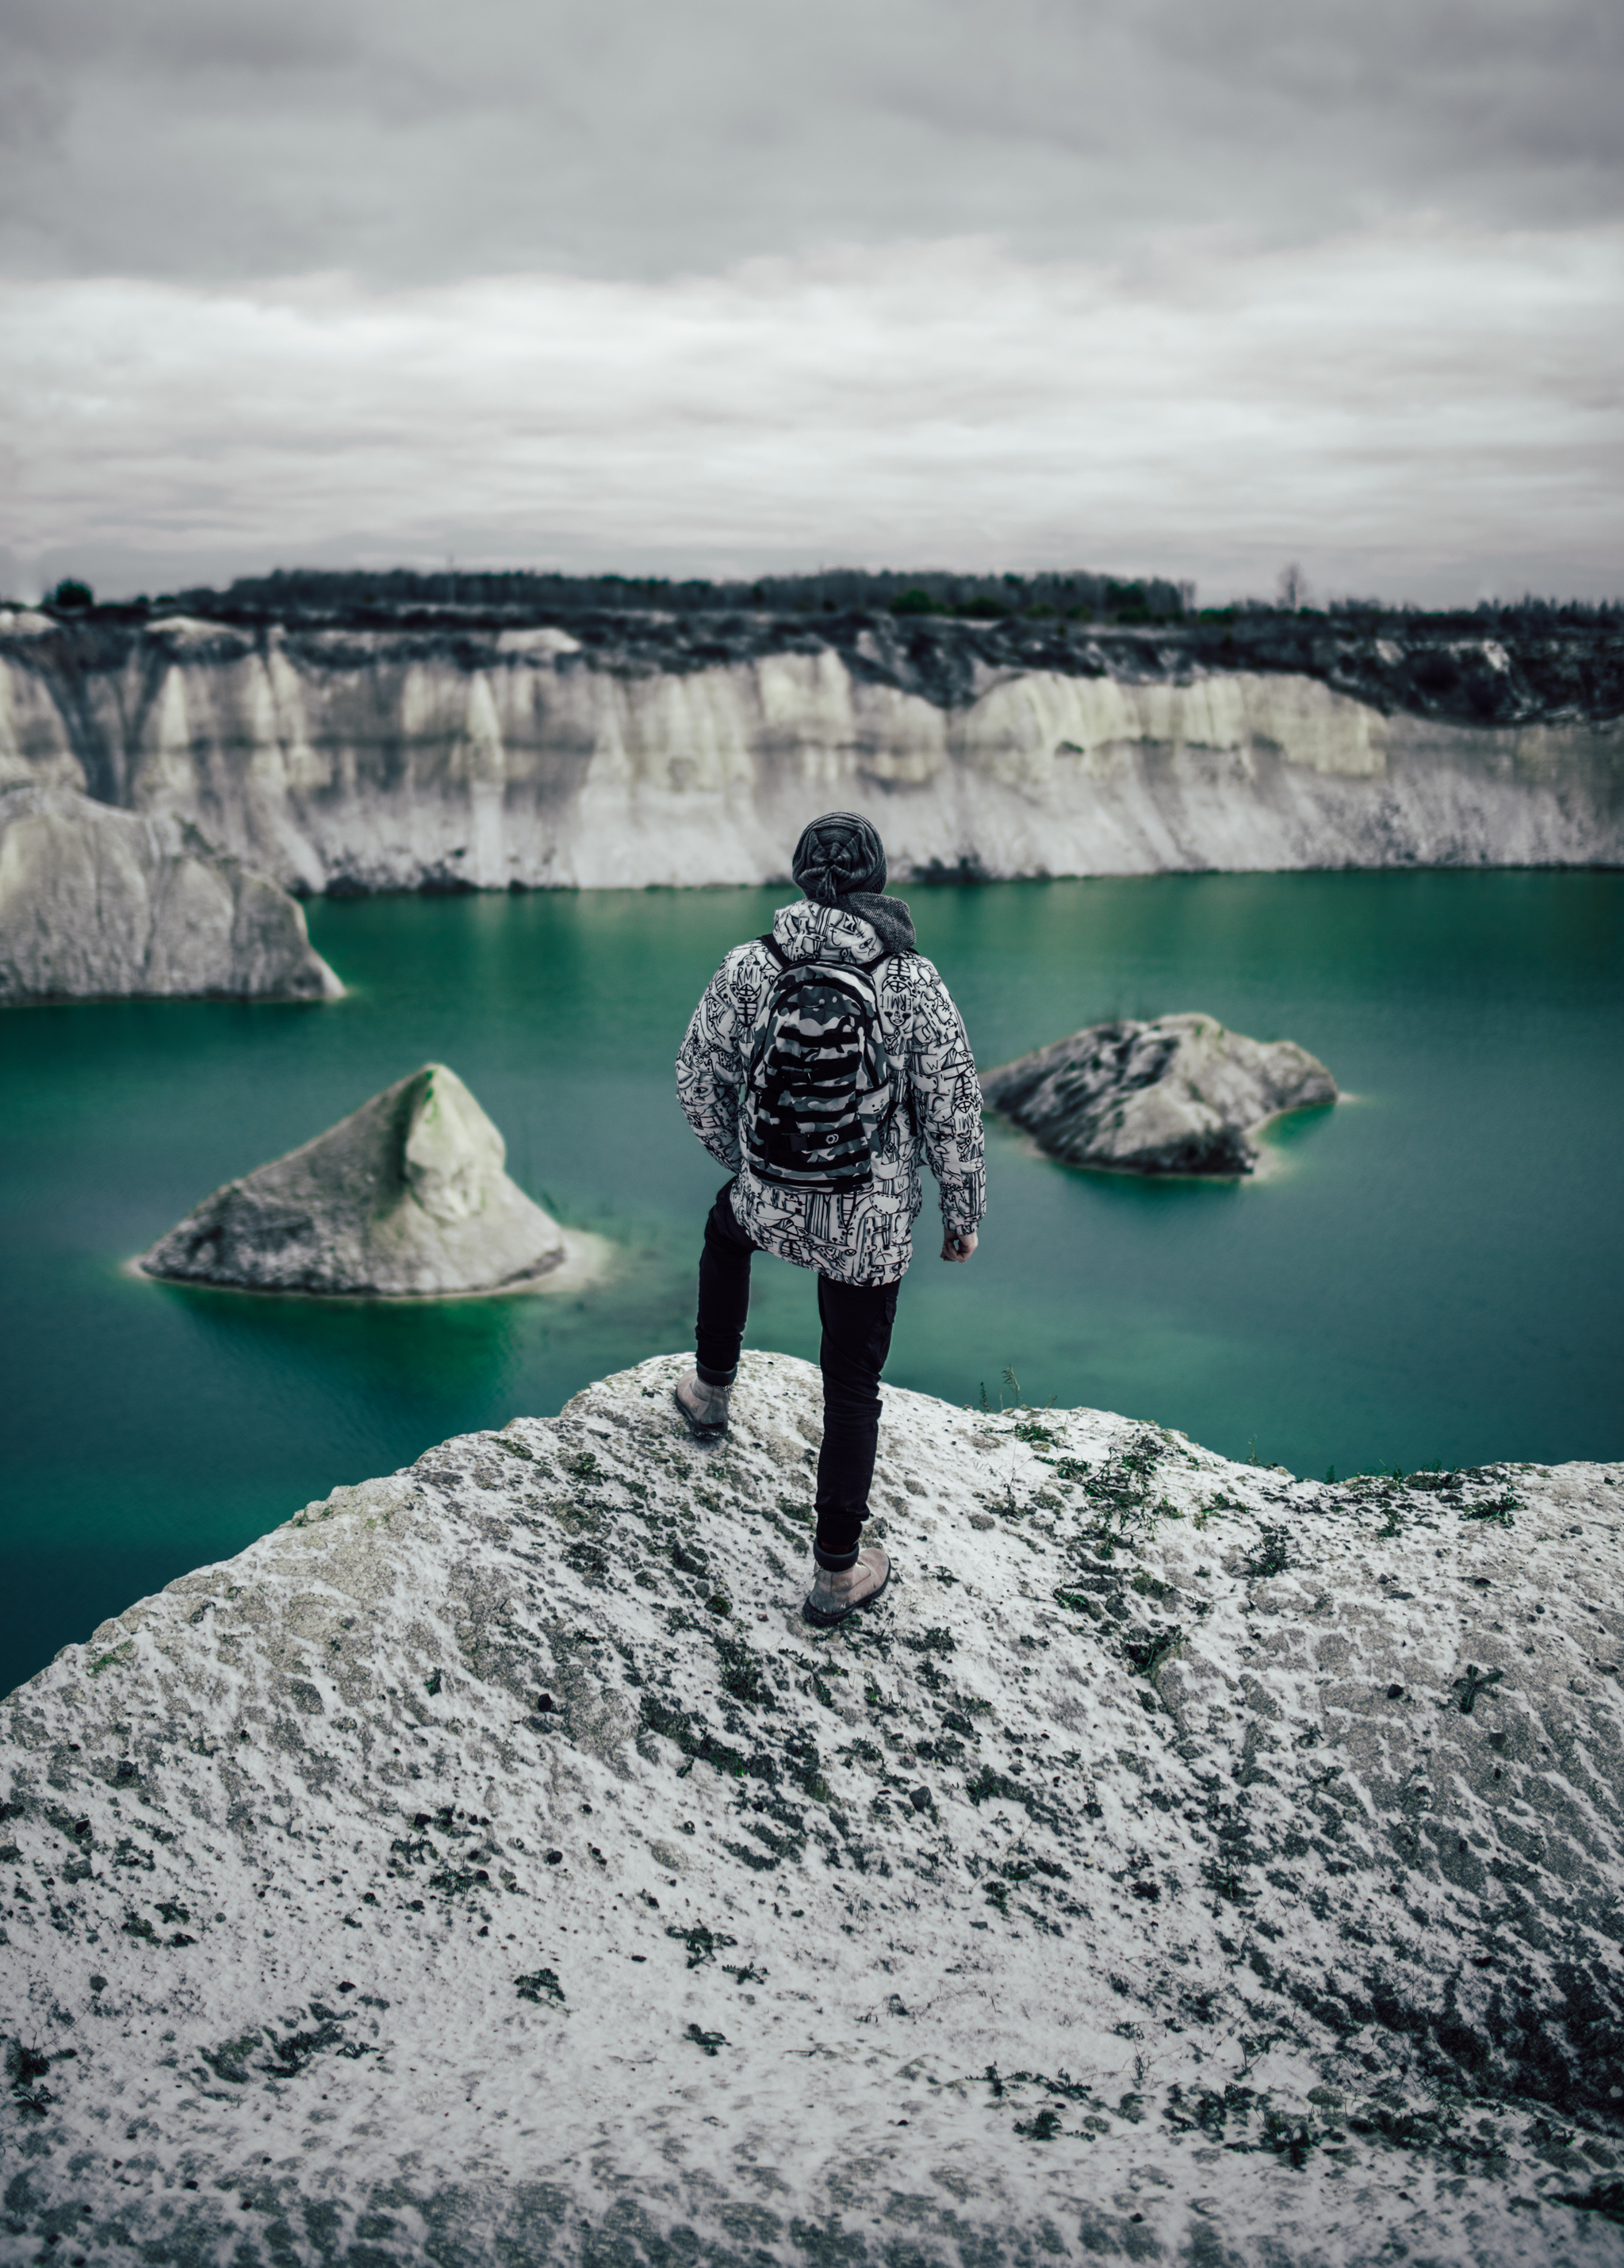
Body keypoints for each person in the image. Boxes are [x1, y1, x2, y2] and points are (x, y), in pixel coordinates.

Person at [673, 810, 986, 1626]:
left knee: (723, 1229)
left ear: (800, 876)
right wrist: (962, 1212)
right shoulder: (909, 980)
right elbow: (952, 1104)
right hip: (869, 1220)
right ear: (877, 880)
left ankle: (709, 1392)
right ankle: (834, 1576)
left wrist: (740, 1158)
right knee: (850, 1385)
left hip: (767, 1194)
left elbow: (695, 1073)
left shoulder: (754, 963)